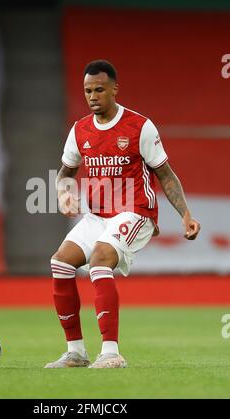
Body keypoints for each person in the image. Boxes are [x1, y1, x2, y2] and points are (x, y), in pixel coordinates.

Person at [45, 60, 201, 369]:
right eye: (88, 90)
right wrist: (64, 194)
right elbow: (65, 172)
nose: (93, 96)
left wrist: (185, 214)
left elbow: (166, 175)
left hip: (136, 212)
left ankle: (111, 353)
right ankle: (76, 352)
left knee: (100, 258)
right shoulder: (80, 130)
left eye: (99, 89)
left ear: (115, 89)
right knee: (60, 262)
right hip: (98, 215)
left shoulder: (140, 127)